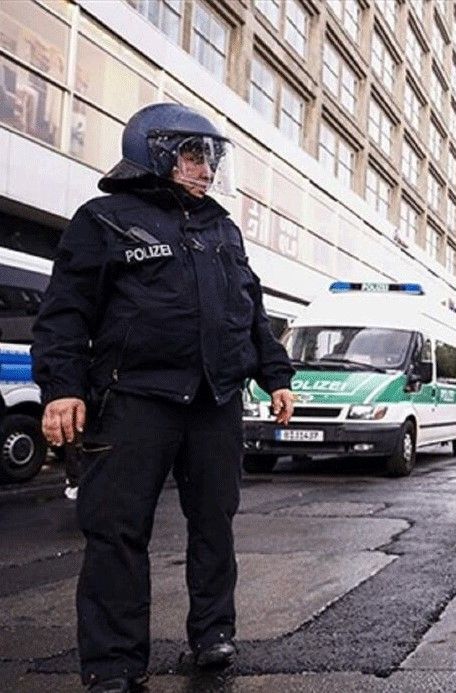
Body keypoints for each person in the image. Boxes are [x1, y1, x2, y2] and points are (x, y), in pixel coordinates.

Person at [31, 103, 295, 692]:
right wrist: (62, 389)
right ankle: (114, 664)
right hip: (133, 399)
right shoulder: (103, 219)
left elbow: (250, 312)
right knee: (116, 531)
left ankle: (213, 633)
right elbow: (65, 313)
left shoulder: (221, 227)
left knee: (214, 524)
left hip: (215, 400)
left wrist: (276, 376)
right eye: (195, 155)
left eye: (212, 158)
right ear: (155, 151)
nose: (206, 170)